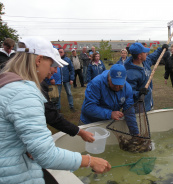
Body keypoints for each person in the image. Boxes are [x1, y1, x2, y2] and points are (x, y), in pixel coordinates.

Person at [0, 36, 110, 184]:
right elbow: (46, 155)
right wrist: (90, 160)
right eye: (51, 63)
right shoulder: (23, 93)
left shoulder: (8, 85)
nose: (54, 70)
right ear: (38, 60)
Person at [80, 64, 139, 135]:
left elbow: (129, 111)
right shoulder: (96, 84)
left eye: (120, 84)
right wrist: (110, 114)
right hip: (90, 123)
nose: (117, 87)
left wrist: (135, 133)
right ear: (109, 78)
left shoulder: (127, 88)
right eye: (114, 83)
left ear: (125, 79)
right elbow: (88, 107)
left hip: (107, 123)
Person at [124, 42, 168, 112]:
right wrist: (139, 93)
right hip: (140, 108)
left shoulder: (145, 62)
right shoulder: (130, 73)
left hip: (148, 103)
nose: (146, 53)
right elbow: (128, 92)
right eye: (144, 52)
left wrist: (161, 49)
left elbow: (153, 56)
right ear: (139, 56)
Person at [58, 48, 76, 112]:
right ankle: (58, 108)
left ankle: (71, 106)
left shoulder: (67, 60)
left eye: (61, 52)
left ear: (64, 53)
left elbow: (71, 69)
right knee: (58, 95)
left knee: (69, 93)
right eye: (59, 52)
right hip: (58, 80)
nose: (60, 54)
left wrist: (71, 79)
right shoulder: (55, 60)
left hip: (67, 79)